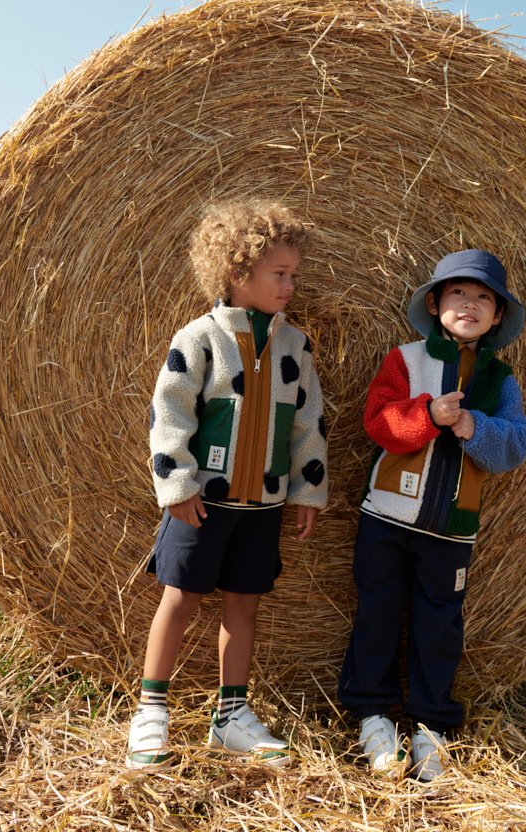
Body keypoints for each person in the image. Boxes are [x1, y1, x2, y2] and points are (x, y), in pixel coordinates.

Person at [125, 199, 328, 770]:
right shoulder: (200, 339)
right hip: (202, 502)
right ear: (237, 273)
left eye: (294, 274)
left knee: (245, 605)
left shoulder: (296, 346)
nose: (291, 285)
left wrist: (309, 488)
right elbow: (170, 413)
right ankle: (151, 712)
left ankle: (231, 717)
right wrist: (179, 484)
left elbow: (308, 421)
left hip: (263, 503)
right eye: (279, 274)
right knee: (180, 597)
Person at [338, 249, 526, 783]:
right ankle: (372, 716)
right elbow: (378, 421)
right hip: (387, 518)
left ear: (497, 317)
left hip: (452, 529)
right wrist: (426, 415)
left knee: (438, 625)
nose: (470, 304)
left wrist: (476, 427)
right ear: (435, 303)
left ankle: (431, 727)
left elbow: (517, 444)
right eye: (458, 293)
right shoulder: (405, 359)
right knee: (377, 612)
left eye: (484, 298)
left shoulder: (499, 380)